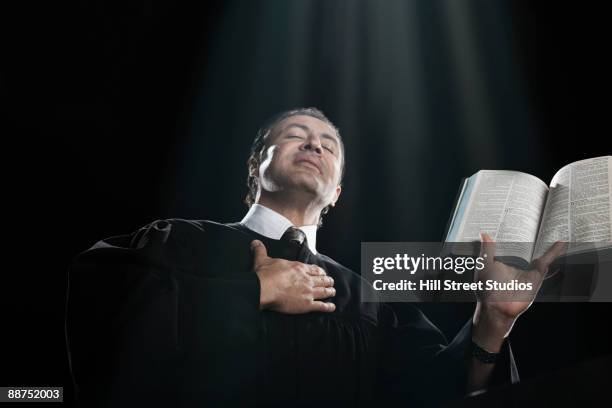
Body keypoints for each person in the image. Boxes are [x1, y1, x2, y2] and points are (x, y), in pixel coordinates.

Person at [65, 107, 566, 407]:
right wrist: (254, 292)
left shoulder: (370, 299)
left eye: (328, 144)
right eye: (294, 134)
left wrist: (490, 324)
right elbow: (104, 319)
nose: (313, 143)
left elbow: (434, 392)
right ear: (254, 167)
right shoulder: (180, 240)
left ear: (337, 192)